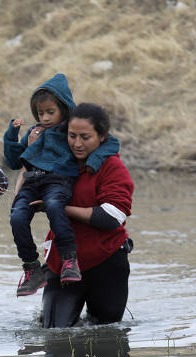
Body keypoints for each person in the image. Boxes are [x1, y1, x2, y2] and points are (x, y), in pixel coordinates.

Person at [4, 74, 119, 296]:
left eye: (50, 112)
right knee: (16, 216)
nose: (45, 118)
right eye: (40, 113)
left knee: (55, 205)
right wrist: (12, 135)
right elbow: (14, 161)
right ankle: (31, 268)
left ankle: (69, 259)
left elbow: (111, 142)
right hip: (32, 182)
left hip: (58, 181)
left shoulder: (70, 129)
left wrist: (92, 163)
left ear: (64, 109)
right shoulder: (34, 132)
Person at [39, 103, 134, 328]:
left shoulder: (113, 168)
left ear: (102, 137)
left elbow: (112, 217)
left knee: (106, 334)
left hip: (107, 262)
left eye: (85, 137)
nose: (77, 143)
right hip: (62, 261)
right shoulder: (55, 162)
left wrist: (57, 207)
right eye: (72, 136)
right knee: (54, 334)